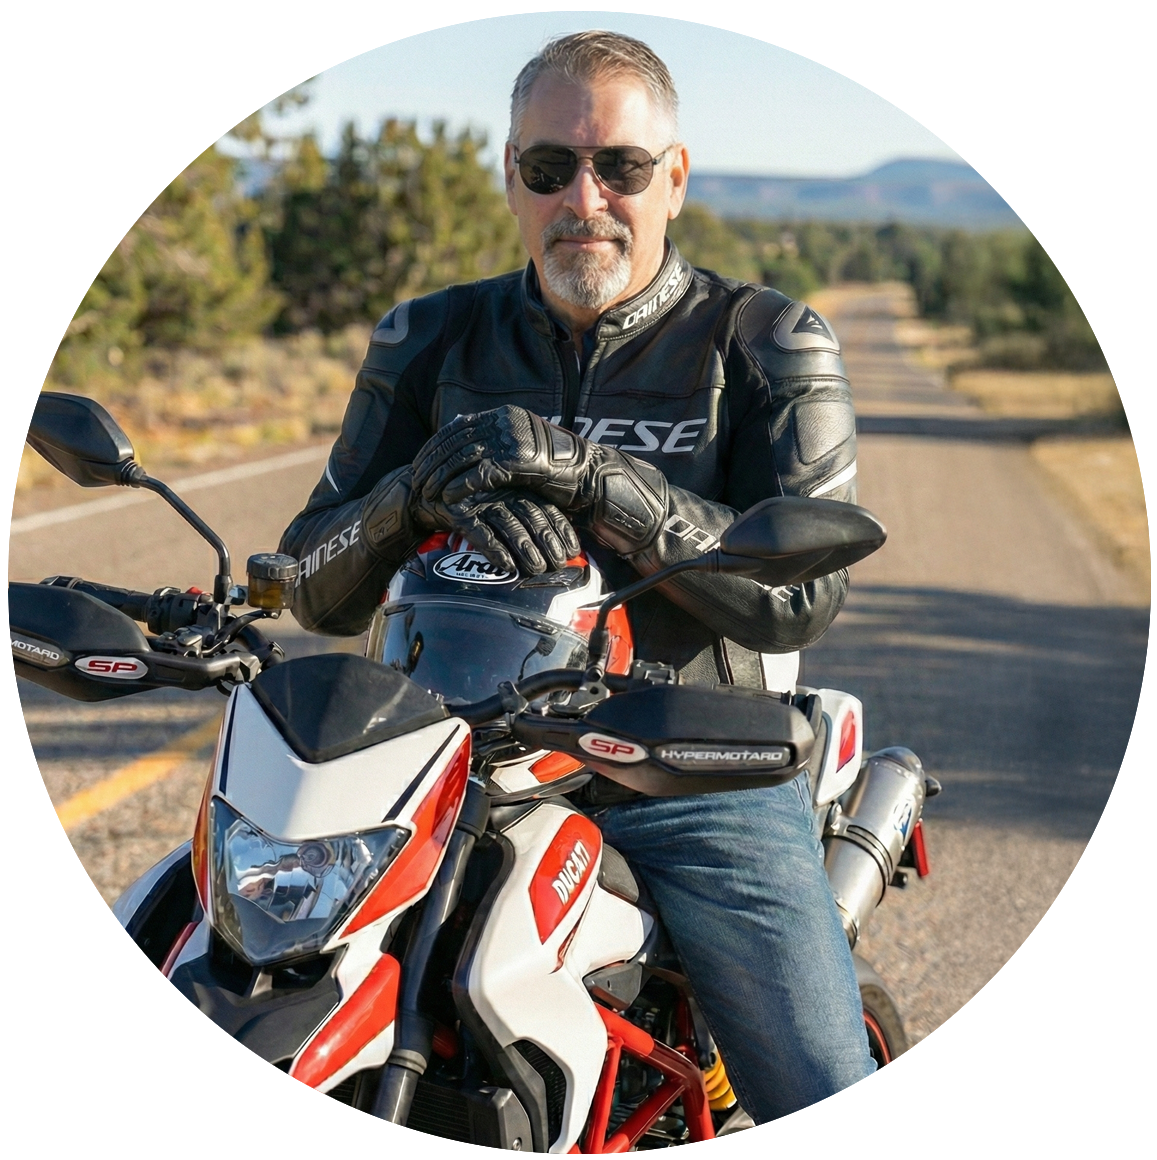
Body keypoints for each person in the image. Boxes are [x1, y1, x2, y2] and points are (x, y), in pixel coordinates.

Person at [279, 30, 872, 1122]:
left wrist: (595, 478)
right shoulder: (428, 336)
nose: (582, 198)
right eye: (549, 167)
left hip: (692, 770)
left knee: (821, 1095)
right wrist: (410, 493)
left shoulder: (767, 342)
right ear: (511, 175)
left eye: (620, 168)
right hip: (435, 753)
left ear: (674, 179)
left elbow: (804, 592)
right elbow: (311, 587)